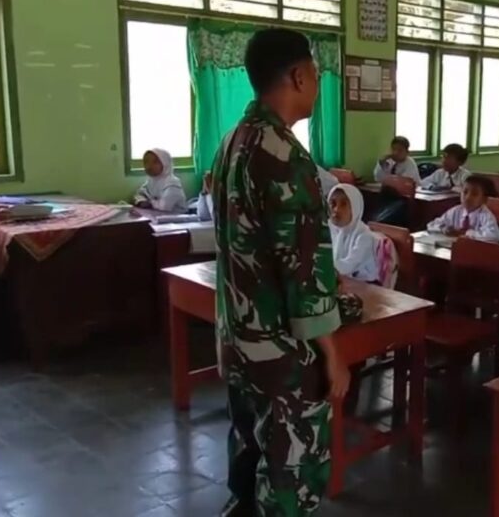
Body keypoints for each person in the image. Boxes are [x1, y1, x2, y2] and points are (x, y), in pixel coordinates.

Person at [210, 28, 349, 517]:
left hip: (239, 336)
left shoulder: (232, 141)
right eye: (315, 72)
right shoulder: (287, 157)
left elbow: (236, 245)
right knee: (289, 469)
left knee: (249, 449)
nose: (318, 82)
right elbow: (305, 274)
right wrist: (332, 354)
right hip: (282, 352)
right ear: (298, 76)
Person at [329, 184, 381, 283]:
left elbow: (346, 268)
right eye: (333, 203)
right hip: (339, 281)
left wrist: (321, 262)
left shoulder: (364, 236)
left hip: (365, 285)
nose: (336, 209)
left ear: (354, 207)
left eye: (343, 204)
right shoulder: (328, 228)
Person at [426, 175, 499, 242]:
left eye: (474, 194)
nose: (468, 197)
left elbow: (493, 236)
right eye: (465, 192)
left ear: (484, 199)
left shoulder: (485, 215)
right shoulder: (455, 211)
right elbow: (431, 225)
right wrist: (443, 228)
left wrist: (465, 233)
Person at [133, 148, 187, 213]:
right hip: (158, 216)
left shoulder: (173, 183)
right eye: (146, 162)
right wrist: (141, 201)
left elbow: (164, 206)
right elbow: (139, 194)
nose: (149, 166)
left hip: (176, 217)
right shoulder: (151, 181)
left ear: (165, 163)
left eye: (155, 162)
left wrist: (149, 203)